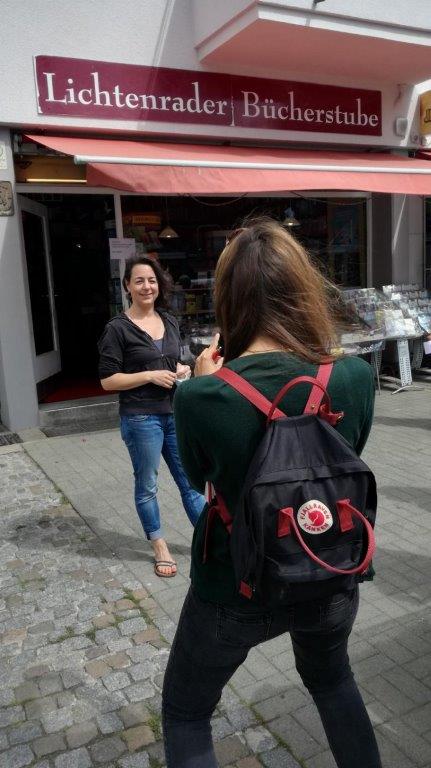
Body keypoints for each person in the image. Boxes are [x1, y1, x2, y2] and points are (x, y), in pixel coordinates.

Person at [162, 219, 382, 767]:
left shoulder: (200, 397)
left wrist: (204, 380)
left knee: (187, 712)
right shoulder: (355, 376)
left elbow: (197, 478)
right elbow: (347, 453)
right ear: (305, 289)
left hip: (234, 585)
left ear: (229, 300)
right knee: (333, 682)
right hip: (329, 568)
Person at [98, 255, 206, 578]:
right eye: (140, 281)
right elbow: (107, 380)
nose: (147, 286)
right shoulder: (117, 329)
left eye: (152, 280)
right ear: (127, 286)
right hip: (141, 418)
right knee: (147, 485)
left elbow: (176, 360)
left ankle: (211, 540)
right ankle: (159, 545)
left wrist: (182, 370)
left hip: (175, 414)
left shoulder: (169, 320)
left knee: (191, 482)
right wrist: (149, 376)